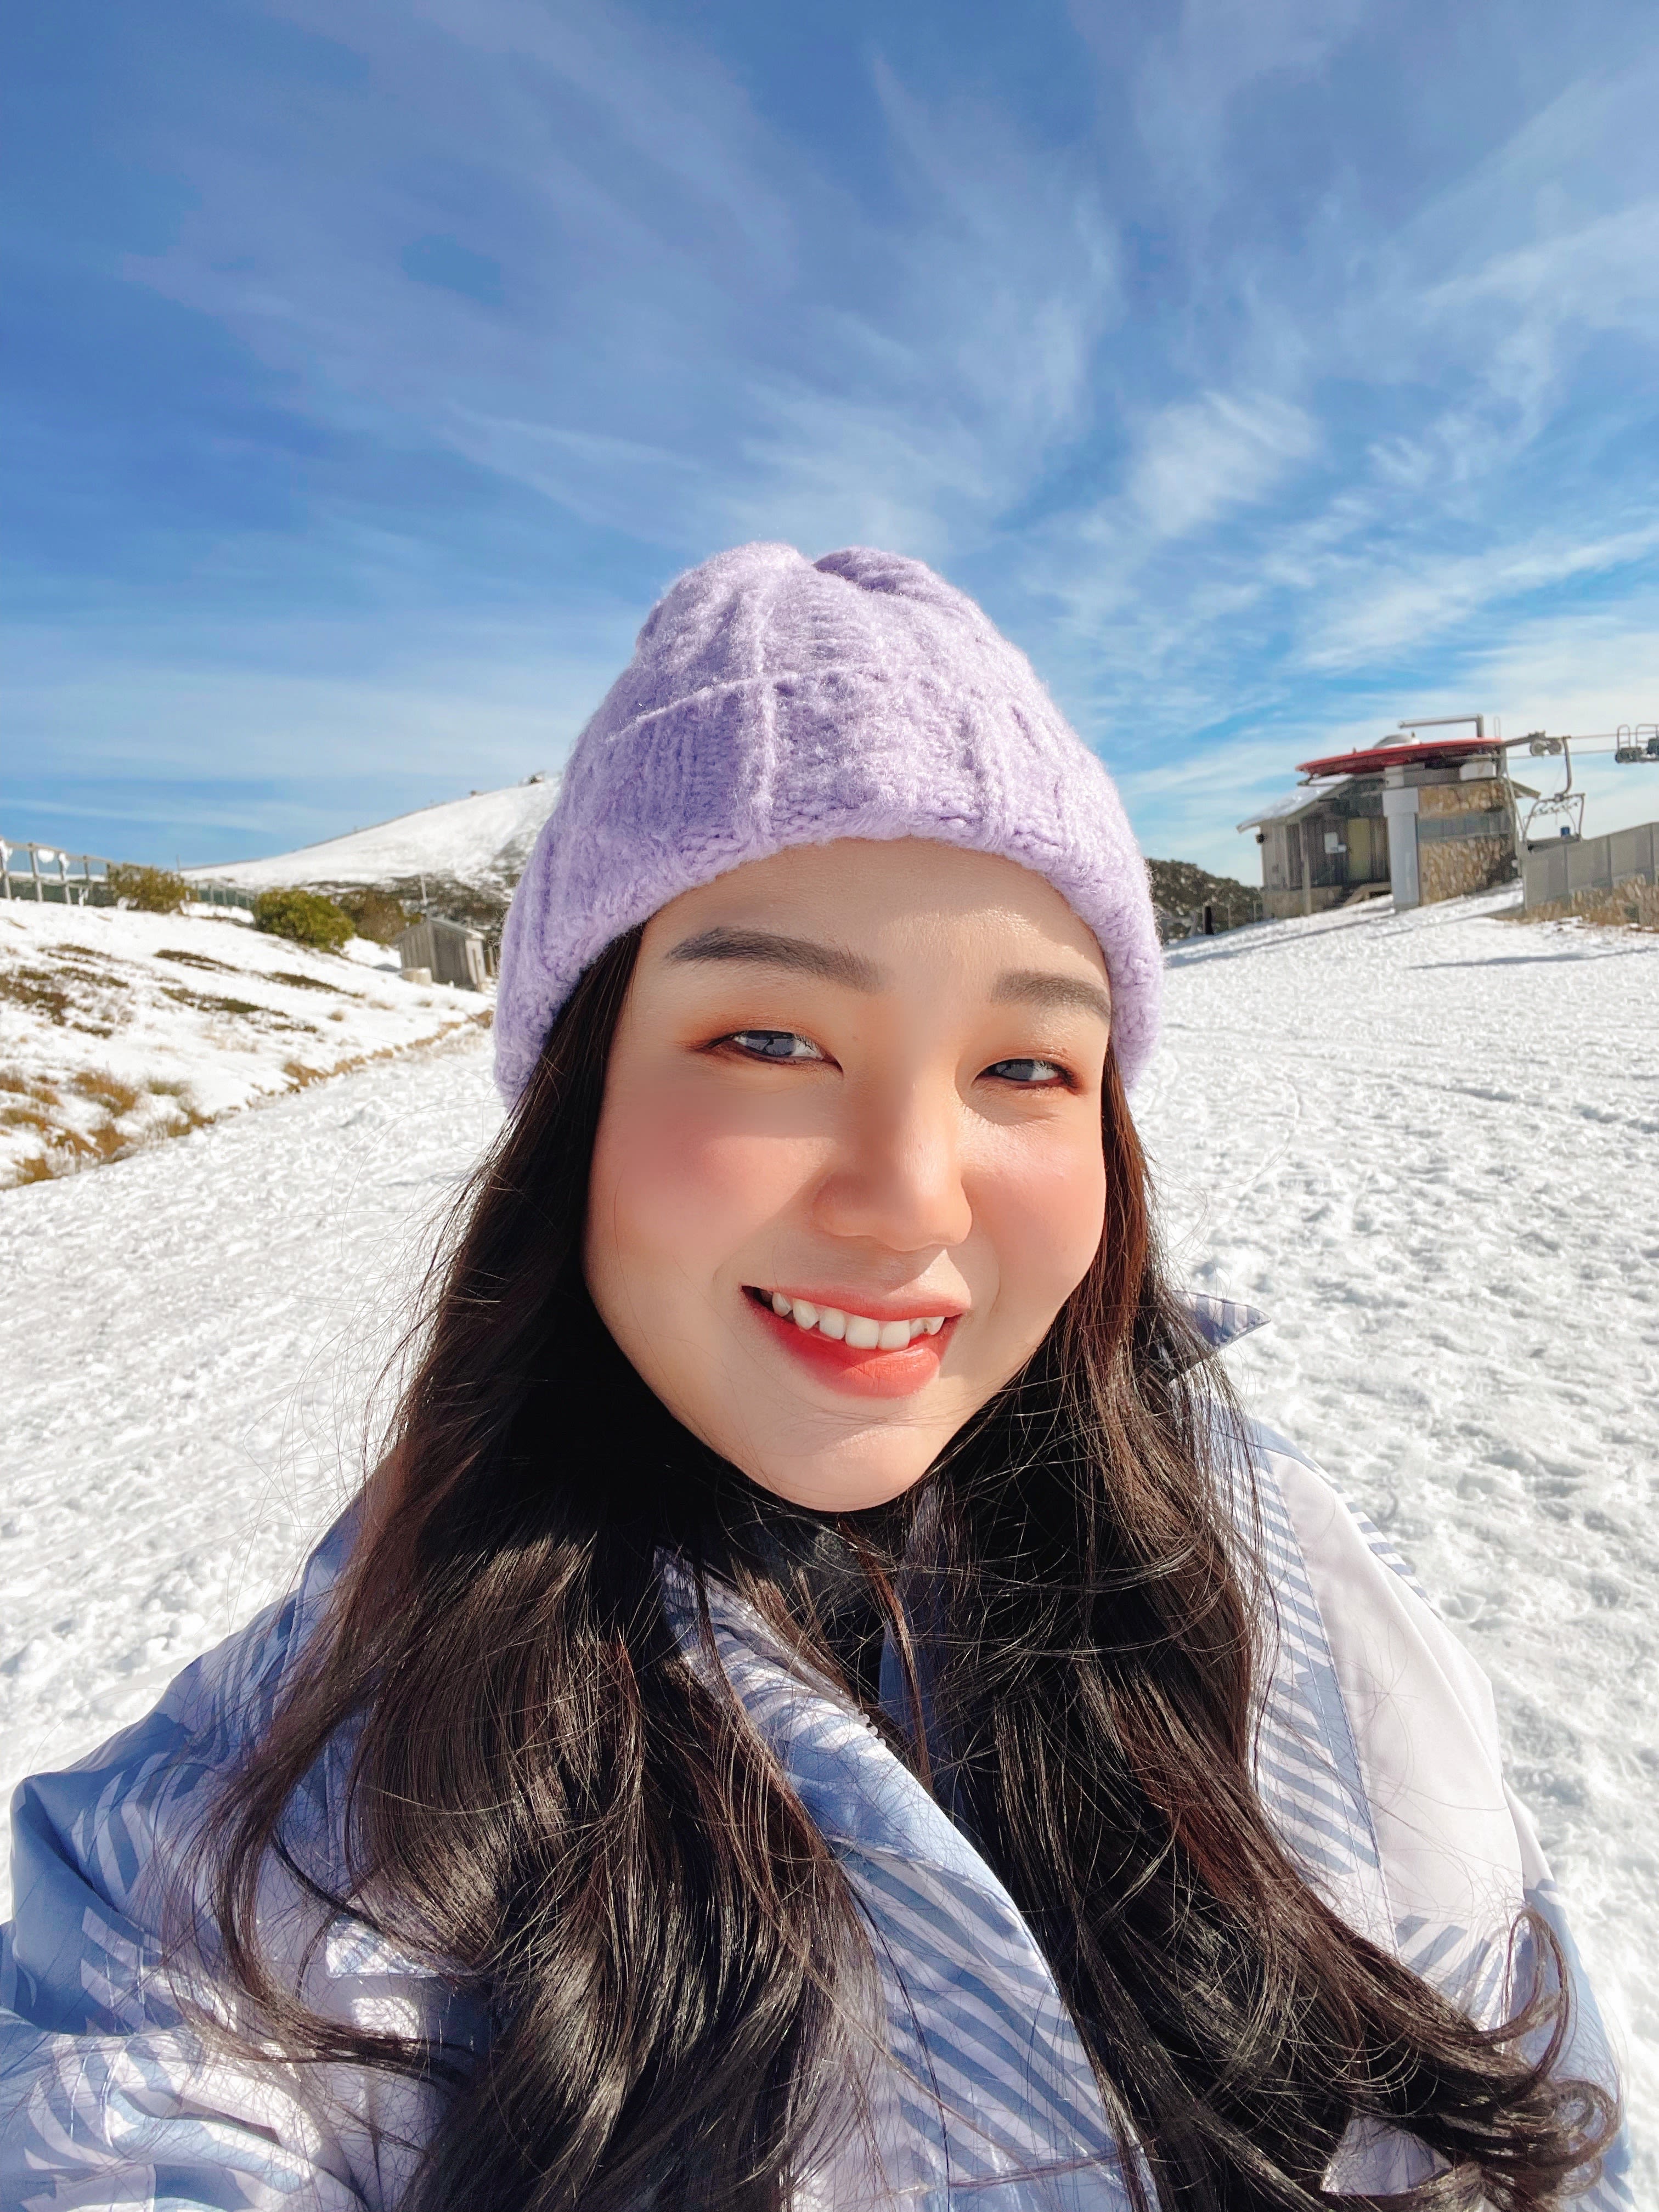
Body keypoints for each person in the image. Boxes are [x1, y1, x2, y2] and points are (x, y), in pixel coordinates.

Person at [1, 545, 1629, 2211]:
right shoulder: (295, 1814)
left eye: (1025, 1065)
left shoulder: (1296, 1601)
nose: (914, 1196)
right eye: (770, 1040)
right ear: (580, 1105)